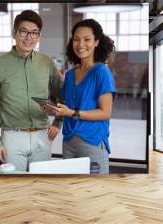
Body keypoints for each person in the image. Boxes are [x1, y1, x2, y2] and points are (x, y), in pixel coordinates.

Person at [0, 10, 63, 172]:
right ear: (14, 32)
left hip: (43, 134)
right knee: (14, 187)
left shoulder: (46, 62)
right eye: (24, 31)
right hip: (13, 136)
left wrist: (58, 122)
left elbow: (62, 94)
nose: (29, 37)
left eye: (34, 33)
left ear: (39, 36)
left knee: (41, 186)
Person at [47, 19, 117, 174]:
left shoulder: (101, 73)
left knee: (95, 193)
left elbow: (105, 112)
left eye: (87, 39)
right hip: (69, 143)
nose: (81, 44)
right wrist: (51, 109)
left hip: (92, 143)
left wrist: (71, 113)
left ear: (96, 42)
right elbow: (65, 105)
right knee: (72, 192)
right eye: (77, 39)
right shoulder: (70, 74)